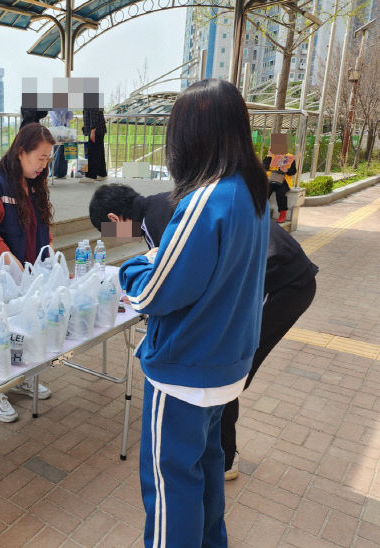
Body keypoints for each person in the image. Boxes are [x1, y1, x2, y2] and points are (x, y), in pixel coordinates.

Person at [119, 79, 270, 547]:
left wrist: (129, 267)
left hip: (186, 368)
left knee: (170, 486)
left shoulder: (205, 199)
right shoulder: (250, 192)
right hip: (225, 362)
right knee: (204, 469)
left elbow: (151, 295)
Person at [90, 185, 318, 481]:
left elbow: (179, 285)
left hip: (282, 284)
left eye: (109, 232)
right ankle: (216, 452)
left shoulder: (162, 217)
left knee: (228, 367)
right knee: (224, 365)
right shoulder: (157, 208)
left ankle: (224, 457)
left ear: (114, 218)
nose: (114, 238)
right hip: (273, 277)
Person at [0, 123, 55, 422]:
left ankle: (17, 380)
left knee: (20, 332)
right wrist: (7, 259)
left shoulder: (33, 182)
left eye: (48, 159)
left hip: (27, 274)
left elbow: (42, 227)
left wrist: (50, 259)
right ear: (21, 152)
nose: (44, 165)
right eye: (40, 158)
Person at [88, 184, 173, 248]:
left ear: (114, 218)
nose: (122, 237)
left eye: (113, 232)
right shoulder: (161, 201)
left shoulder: (152, 225)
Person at [264, 147, 296, 223]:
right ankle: (261, 212)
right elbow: (264, 167)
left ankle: (282, 214)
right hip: (271, 179)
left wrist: (286, 170)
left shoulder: (289, 156)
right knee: (265, 191)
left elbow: (293, 171)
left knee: (281, 193)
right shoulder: (270, 156)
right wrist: (269, 156)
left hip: (284, 181)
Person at [82, 107, 107, 182]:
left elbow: (94, 115)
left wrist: (93, 131)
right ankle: (102, 174)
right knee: (99, 153)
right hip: (99, 130)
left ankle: (91, 176)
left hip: (96, 131)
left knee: (93, 153)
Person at [49, 108, 73, 178]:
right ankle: (54, 173)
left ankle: (62, 173)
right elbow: (59, 118)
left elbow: (70, 116)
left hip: (66, 129)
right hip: (57, 130)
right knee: (56, 151)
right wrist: (65, 110)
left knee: (65, 151)